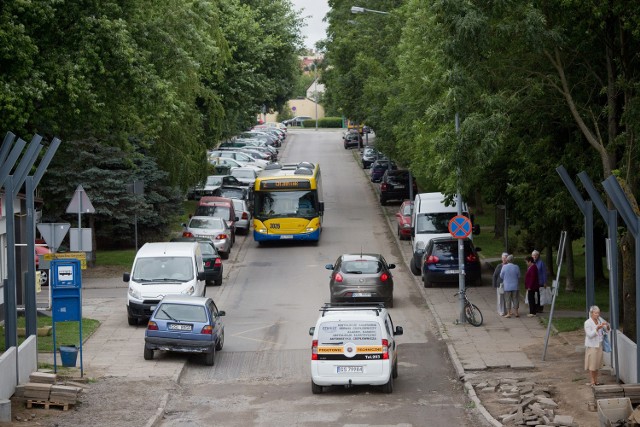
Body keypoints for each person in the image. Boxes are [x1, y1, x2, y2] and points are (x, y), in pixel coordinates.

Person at [584, 305, 610, 386]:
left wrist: (607, 326)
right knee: (592, 364)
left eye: (598, 313)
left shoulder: (599, 321)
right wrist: (597, 328)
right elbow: (589, 335)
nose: (597, 315)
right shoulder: (587, 322)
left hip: (599, 344)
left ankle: (596, 380)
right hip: (592, 346)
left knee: (597, 364)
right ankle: (592, 381)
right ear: (591, 313)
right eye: (596, 313)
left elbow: (606, 330)